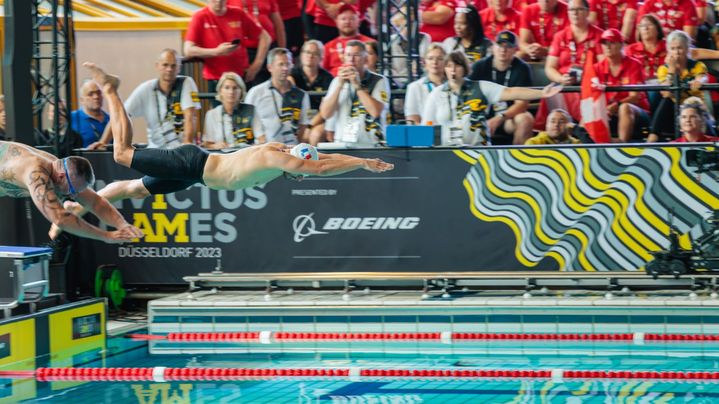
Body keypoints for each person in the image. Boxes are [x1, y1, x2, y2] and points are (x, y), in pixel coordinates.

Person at [65, 62, 394, 214]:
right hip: (193, 163)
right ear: (297, 161)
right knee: (122, 154)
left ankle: (75, 209)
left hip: (196, 177)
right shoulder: (276, 157)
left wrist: (364, 161)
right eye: (301, 169)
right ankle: (110, 87)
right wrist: (361, 164)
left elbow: (324, 161)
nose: (299, 174)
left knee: (135, 191)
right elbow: (321, 168)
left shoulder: (283, 152)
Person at [0, 141, 143, 243]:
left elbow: (95, 202)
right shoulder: (36, 173)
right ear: (62, 176)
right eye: (73, 190)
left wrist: (122, 224)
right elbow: (60, 219)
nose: (74, 196)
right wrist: (106, 236)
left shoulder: (58, 168)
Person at [421, 50, 563, 146]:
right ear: (444, 69)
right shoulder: (436, 94)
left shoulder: (481, 87)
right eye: (449, 66)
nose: (452, 70)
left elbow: (512, 92)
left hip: (478, 150)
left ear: (464, 68)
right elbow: (425, 127)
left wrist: (542, 93)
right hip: (447, 151)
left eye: (457, 66)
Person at [92, 49, 200, 150]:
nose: (169, 69)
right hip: (156, 151)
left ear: (179, 68)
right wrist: (103, 142)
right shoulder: (146, 88)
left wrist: (187, 146)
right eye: (165, 65)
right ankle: (110, 87)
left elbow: (191, 116)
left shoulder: (186, 83)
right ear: (157, 66)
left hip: (180, 150)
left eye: (173, 66)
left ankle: (110, 87)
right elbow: (120, 114)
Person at [540, 0, 604, 127]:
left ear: (587, 12)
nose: (574, 13)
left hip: (589, 85)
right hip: (565, 84)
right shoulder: (560, 36)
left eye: (578, 9)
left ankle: (582, 131)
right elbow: (550, 67)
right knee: (550, 91)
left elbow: (603, 66)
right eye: (571, 10)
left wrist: (588, 76)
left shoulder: (599, 35)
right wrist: (561, 78)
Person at [183, 0, 271, 88]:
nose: (218, 1)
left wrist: (256, 65)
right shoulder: (200, 17)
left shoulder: (238, 13)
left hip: (241, 77)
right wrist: (216, 52)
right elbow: (188, 50)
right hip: (216, 79)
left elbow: (265, 37)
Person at [319, 40, 391, 147]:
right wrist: (339, 86)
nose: (351, 60)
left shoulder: (379, 80)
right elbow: (325, 114)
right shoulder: (337, 81)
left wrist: (358, 87)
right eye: (348, 55)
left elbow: (376, 112)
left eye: (356, 55)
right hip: (343, 142)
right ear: (344, 58)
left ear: (365, 59)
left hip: (371, 143)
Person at [468, 31, 535, 145]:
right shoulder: (479, 66)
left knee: (525, 119)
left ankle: (517, 159)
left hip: (507, 118)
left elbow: (522, 104)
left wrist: (499, 118)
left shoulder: (522, 68)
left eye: (508, 46)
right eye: (499, 45)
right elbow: (468, 96)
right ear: (493, 47)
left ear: (515, 50)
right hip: (481, 115)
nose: (503, 50)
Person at [649, 30, 708, 142]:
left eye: (680, 48)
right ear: (668, 51)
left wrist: (698, 81)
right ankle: (651, 140)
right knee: (667, 100)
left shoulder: (697, 65)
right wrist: (671, 72)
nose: (677, 52)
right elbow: (666, 93)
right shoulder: (664, 69)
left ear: (687, 49)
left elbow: (702, 77)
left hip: (695, 107)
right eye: (673, 48)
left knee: (696, 111)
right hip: (673, 112)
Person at [593, 28, 650, 143]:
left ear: (621, 45)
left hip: (637, 112)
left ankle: (621, 145)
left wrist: (617, 105)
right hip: (608, 111)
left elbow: (635, 97)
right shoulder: (597, 68)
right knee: (589, 110)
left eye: (612, 42)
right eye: (604, 43)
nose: (607, 46)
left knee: (625, 107)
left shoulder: (634, 64)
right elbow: (593, 95)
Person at [245, 48, 311, 144]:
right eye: (281, 64)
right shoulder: (255, 93)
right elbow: (246, 121)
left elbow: (303, 124)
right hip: (263, 149)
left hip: (290, 148)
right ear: (270, 67)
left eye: (288, 64)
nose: (285, 68)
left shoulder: (302, 95)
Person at [203, 72, 266, 149]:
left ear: (241, 91)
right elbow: (207, 144)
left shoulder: (251, 110)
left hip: (247, 156)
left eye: (235, 88)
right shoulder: (211, 114)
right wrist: (216, 146)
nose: (231, 92)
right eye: (227, 87)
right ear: (220, 91)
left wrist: (253, 148)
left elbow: (262, 140)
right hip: (223, 157)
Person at [323, 5, 373, 76]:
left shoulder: (370, 43)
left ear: (359, 21)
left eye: (351, 18)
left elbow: (374, 68)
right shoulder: (328, 46)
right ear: (336, 22)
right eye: (343, 19)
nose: (347, 22)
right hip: (334, 83)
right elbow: (322, 72)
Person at [404, 44, 447, 125]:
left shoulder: (452, 85)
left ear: (446, 62)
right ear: (424, 62)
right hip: (425, 133)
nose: (435, 62)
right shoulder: (414, 87)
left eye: (440, 59)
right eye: (430, 58)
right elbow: (412, 119)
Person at [71, 80, 109, 149]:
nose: (96, 97)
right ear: (82, 100)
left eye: (99, 93)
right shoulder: (72, 118)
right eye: (90, 94)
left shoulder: (111, 119)